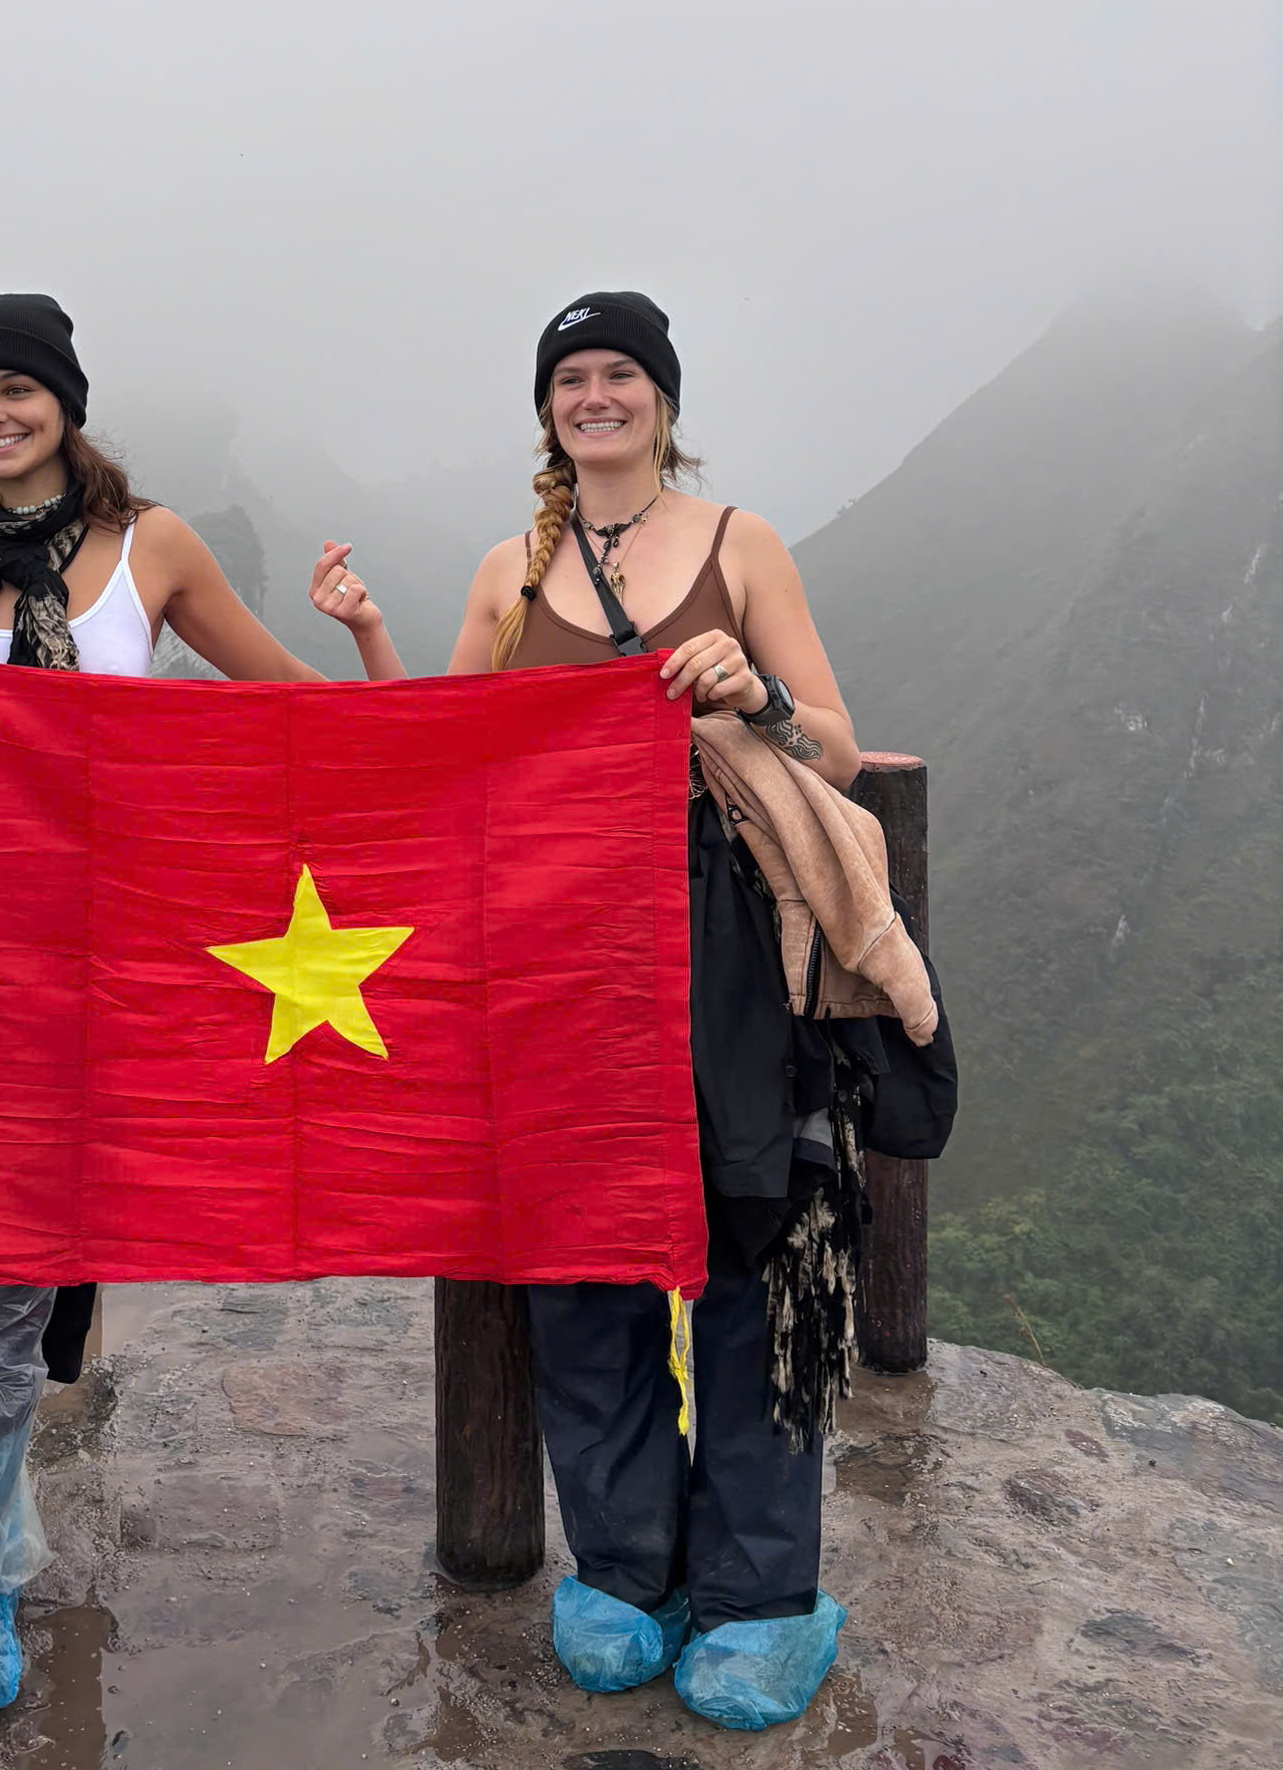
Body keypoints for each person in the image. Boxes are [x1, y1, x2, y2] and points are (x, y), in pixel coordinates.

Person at [0, 292, 403, 1770]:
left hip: (64, 973)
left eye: (17, 389)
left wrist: (373, 637)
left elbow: (301, 719)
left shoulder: (158, 549)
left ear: (66, 399)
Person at [448, 288, 883, 1734]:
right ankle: (628, 1566)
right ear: (548, 410)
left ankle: (764, 1593)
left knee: (757, 1235)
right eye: (570, 377)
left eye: (620, 372)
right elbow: (440, 757)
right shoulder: (508, 571)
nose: (595, 396)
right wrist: (374, 639)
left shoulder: (739, 545)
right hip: (563, 955)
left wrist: (747, 686)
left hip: (731, 956)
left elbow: (834, 740)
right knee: (585, 1257)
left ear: (667, 401)